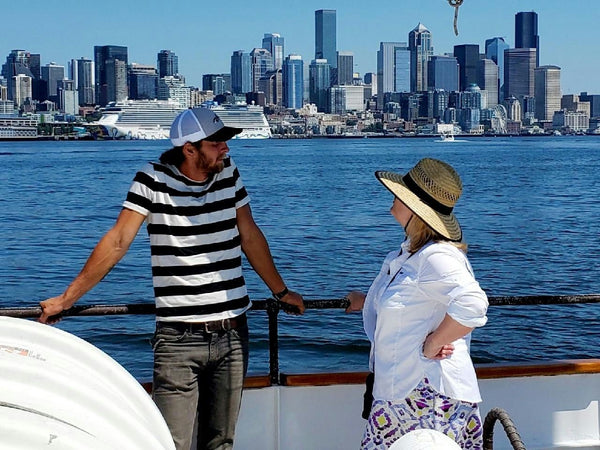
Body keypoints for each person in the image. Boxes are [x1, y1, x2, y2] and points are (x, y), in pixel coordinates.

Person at [39, 107, 305, 450]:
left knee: (220, 442)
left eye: (225, 141)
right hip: (179, 338)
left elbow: (249, 234)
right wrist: (66, 299)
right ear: (189, 149)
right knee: (170, 443)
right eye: (217, 143)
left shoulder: (229, 174)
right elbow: (119, 241)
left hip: (233, 332)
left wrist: (281, 291)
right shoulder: (152, 179)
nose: (226, 148)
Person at [345, 158, 488, 449]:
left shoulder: (436, 256)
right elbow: (411, 300)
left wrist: (435, 342)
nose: (393, 197)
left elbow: (473, 304)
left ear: (414, 208)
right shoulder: (412, 253)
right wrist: (369, 301)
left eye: (400, 193)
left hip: (427, 398)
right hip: (403, 393)